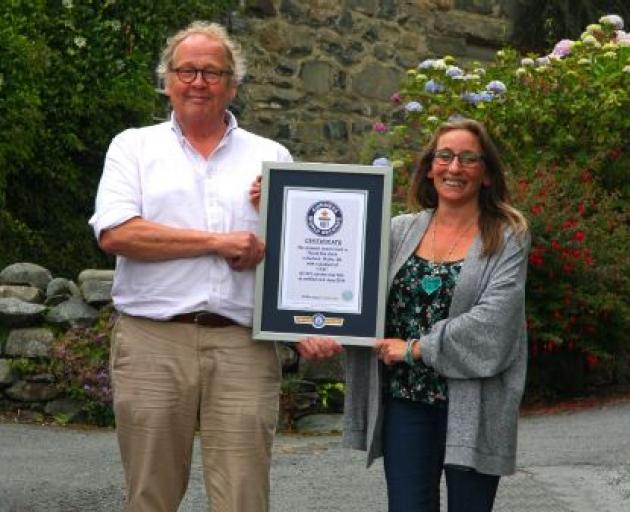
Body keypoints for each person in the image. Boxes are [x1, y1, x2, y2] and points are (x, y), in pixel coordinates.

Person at [89, 21, 292, 512]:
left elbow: (299, 254)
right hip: (152, 339)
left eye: (211, 72)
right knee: (150, 495)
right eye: (186, 70)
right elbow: (117, 234)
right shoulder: (133, 147)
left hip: (243, 343)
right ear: (167, 80)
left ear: (233, 84)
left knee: (244, 498)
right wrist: (218, 242)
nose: (197, 82)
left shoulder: (271, 158)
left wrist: (284, 207)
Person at [297, 119, 530, 512]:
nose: (454, 168)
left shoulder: (508, 235)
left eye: (468, 159)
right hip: (406, 402)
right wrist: (318, 327)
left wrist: (417, 349)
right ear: (429, 167)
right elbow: (342, 280)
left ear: (487, 173)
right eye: (445, 156)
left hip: (475, 404)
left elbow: (496, 323)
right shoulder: (397, 231)